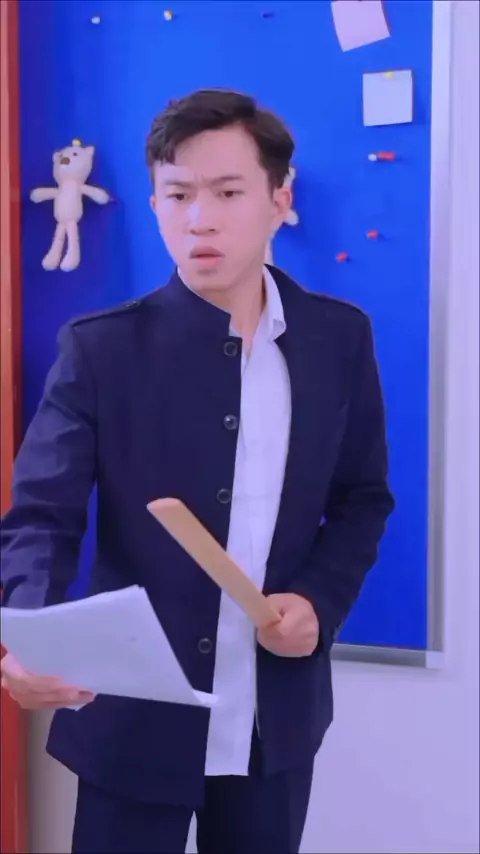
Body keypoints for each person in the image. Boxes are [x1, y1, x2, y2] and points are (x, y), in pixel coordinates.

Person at [0, 89, 394, 854]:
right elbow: (42, 515)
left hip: (276, 720)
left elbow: (362, 499)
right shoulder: (100, 348)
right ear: (155, 204)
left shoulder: (338, 339)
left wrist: (318, 602)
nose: (200, 219)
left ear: (279, 200)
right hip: (130, 718)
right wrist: (31, 633)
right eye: (178, 195)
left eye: (228, 193)